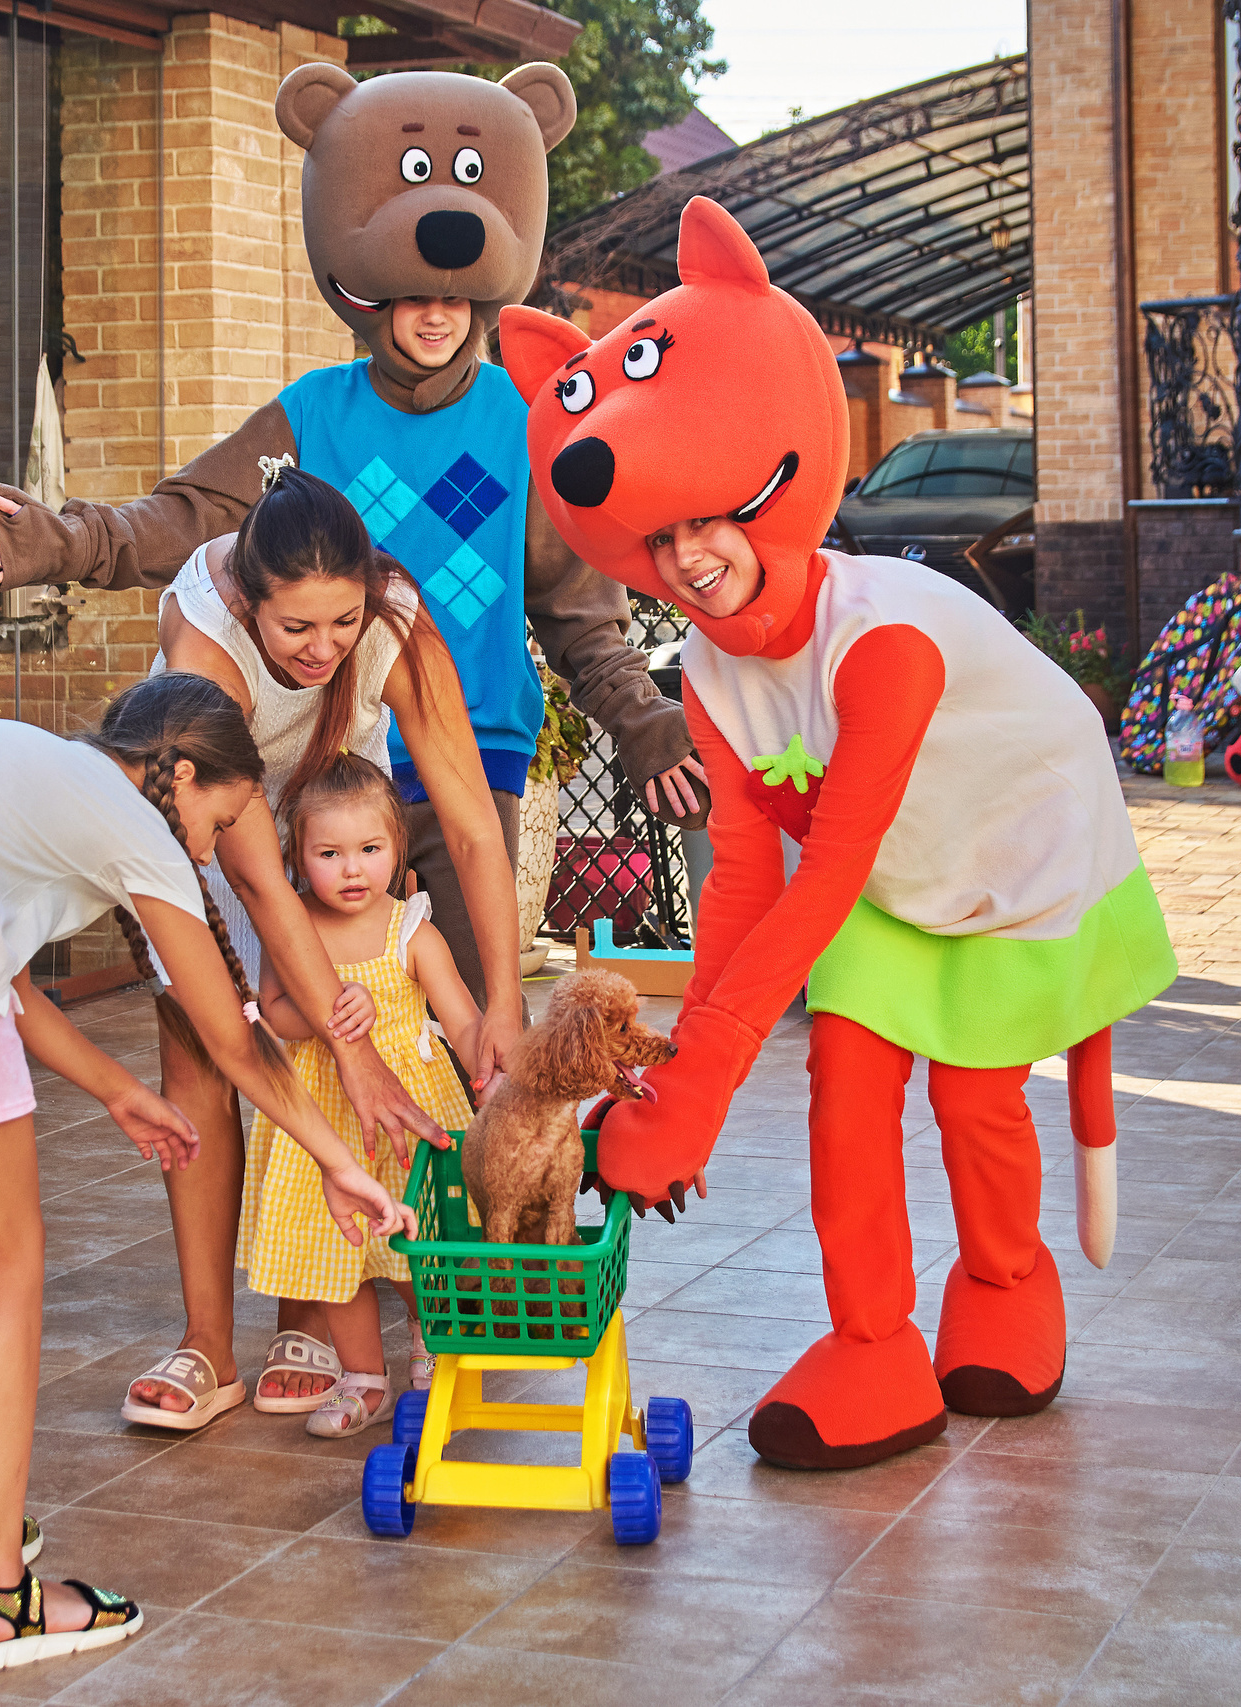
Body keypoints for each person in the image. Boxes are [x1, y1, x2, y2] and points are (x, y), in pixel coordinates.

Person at [500, 197, 1175, 1472]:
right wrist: (681, 1068)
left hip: (1016, 856)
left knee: (975, 1094)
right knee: (847, 1093)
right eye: (664, 537)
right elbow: (750, 874)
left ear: (761, 491)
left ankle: (1008, 1288)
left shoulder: (886, 642)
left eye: (710, 519)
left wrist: (696, 1093)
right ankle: (872, 1346)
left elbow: (831, 873)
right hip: (888, 875)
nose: (694, 556)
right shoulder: (704, 671)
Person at [0, 66, 707, 1022]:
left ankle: (480, 1168)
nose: (433, 315)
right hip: (347, 759)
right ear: (368, 292)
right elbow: (181, 518)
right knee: (340, 1014)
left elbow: (583, 615)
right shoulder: (310, 416)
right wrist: (53, 541)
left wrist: (640, 718)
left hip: (477, 750)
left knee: (468, 1013)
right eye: (411, 297)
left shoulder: (525, 424)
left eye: (454, 302)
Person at [0, 673, 410, 1672]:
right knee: (3, 1259)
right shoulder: (132, 820)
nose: (204, 851)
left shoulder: (9, 766)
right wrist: (336, 1160)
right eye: (217, 822)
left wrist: (112, 1087)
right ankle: (0, 1600)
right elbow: (231, 1040)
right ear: (178, 774)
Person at [114, 467, 514, 1428]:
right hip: (213, 820)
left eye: (345, 624)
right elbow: (254, 875)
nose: (326, 650)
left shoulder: (394, 623)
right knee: (210, 1046)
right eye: (298, 629)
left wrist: (500, 997)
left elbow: (467, 823)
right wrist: (349, 1040)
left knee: (341, 1053)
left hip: (334, 812)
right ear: (252, 603)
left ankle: (308, 1307)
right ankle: (209, 1340)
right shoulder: (206, 646)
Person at [246, 755, 480, 1437]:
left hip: (410, 1116)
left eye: (370, 849)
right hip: (323, 1120)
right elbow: (273, 1011)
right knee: (336, 1255)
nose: (352, 869)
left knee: (417, 1242)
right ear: (298, 856)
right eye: (330, 853)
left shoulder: (411, 928)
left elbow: (461, 1019)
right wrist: (326, 1011)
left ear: (396, 849)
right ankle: (362, 1376)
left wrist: (496, 1075)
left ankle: (432, 1339)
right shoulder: (293, 926)